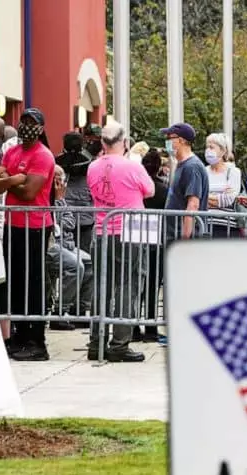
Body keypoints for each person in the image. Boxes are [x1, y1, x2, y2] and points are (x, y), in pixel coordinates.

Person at [0, 108, 56, 362]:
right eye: (23, 121)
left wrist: (11, 180)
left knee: (33, 283)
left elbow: (30, 193)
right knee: (14, 282)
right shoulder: (11, 151)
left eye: (32, 123)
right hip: (12, 223)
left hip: (36, 225)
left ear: (40, 128)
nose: (26, 126)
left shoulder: (43, 156)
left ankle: (36, 340)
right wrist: (17, 178)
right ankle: (18, 335)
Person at [85, 122, 154, 362]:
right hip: (131, 230)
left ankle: (96, 341)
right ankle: (119, 343)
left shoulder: (92, 167)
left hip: (102, 230)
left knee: (101, 287)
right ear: (125, 143)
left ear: (103, 143)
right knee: (129, 285)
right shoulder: (132, 166)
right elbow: (150, 190)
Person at [47, 165, 94, 330]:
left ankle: (79, 311)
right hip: (51, 244)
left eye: (62, 179)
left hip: (67, 243)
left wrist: (60, 203)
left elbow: (70, 222)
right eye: (57, 179)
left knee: (89, 262)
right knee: (75, 266)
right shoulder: (48, 197)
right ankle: (60, 311)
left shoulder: (61, 198)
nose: (61, 183)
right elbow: (53, 222)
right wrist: (58, 201)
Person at [132, 148, 168, 343]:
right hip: (157, 240)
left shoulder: (137, 187)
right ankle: (151, 327)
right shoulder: (163, 189)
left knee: (135, 284)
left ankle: (133, 327)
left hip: (136, 237)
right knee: (153, 285)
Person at [161, 122, 207, 240]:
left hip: (182, 237)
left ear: (181, 140)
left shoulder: (192, 167)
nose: (167, 142)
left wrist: (185, 239)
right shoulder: (182, 164)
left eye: (170, 138)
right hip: (173, 235)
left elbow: (193, 204)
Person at [55, 132, 95, 253]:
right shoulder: (90, 164)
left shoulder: (57, 163)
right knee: (85, 256)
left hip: (65, 217)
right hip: (85, 218)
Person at [204, 132, 243, 237]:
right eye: (207, 147)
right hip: (204, 226)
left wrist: (205, 196)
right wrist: (218, 197)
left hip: (227, 229)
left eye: (212, 147)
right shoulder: (203, 171)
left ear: (222, 151)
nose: (208, 151)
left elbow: (228, 200)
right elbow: (196, 198)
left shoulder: (233, 172)